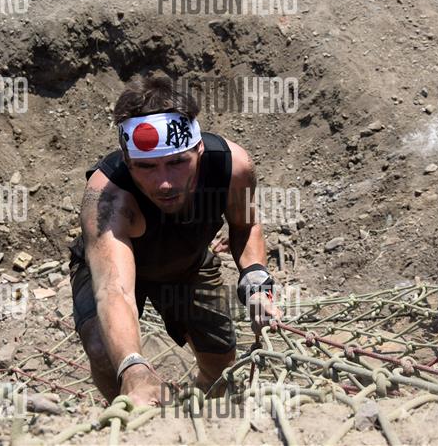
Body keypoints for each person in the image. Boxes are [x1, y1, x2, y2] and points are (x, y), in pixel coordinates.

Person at [68, 75, 282, 406]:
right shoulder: (108, 196)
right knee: (104, 351)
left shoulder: (231, 167)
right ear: (128, 161)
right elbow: (114, 289)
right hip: (112, 269)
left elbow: (246, 225)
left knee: (220, 361)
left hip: (186, 262)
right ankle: (132, 411)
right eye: (146, 167)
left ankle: (198, 411)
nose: (164, 182)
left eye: (177, 162)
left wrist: (255, 281)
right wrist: (133, 368)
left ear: (198, 149)